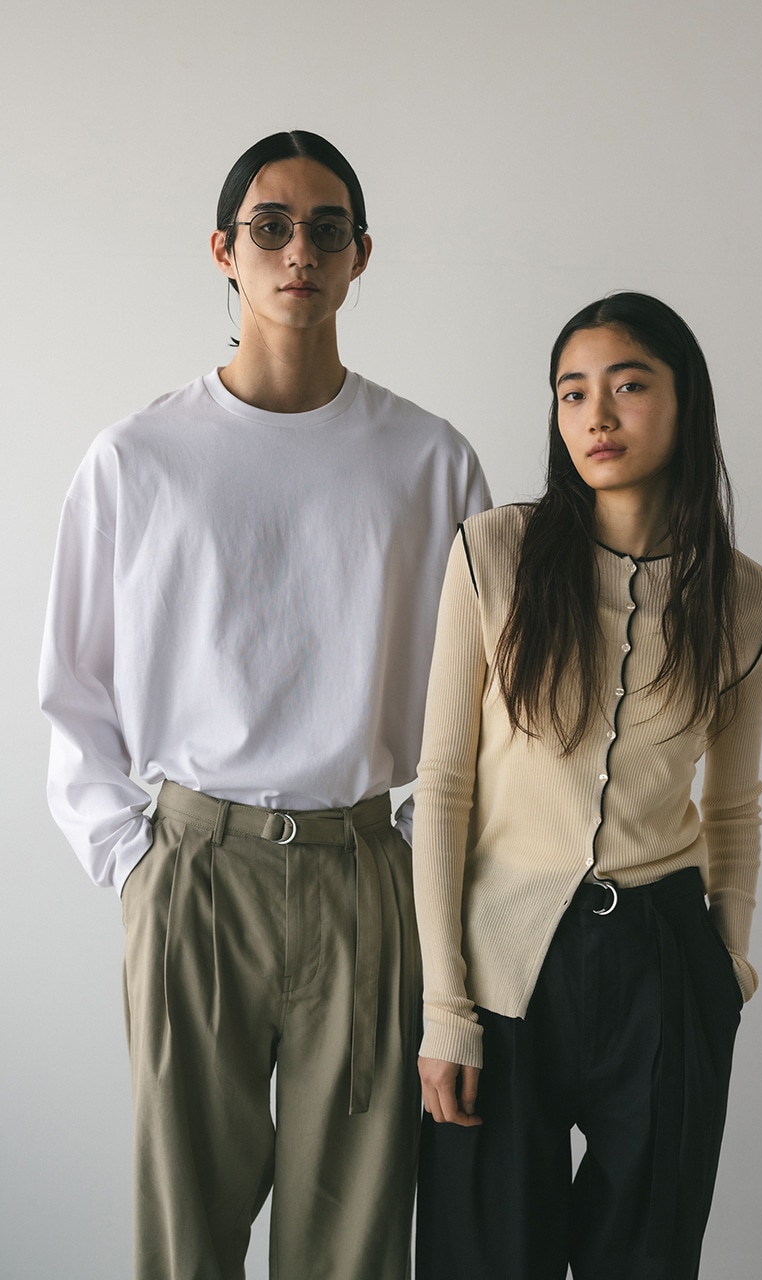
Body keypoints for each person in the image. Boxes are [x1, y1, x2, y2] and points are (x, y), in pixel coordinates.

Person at [38, 130, 490, 1280]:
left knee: (352, 1241)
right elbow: (73, 686)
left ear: (361, 255)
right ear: (223, 250)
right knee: (186, 1232)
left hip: (364, 870)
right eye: (271, 227)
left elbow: (485, 701)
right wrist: (132, 858)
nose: (300, 252)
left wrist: (424, 867)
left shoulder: (429, 461)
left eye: (327, 229)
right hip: (194, 868)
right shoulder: (140, 458)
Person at [412, 292, 762, 1280]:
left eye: (627, 385)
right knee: (483, 1257)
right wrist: (445, 1007)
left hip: (664, 966)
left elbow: (733, 805)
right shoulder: (492, 554)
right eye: (572, 392)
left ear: (684, 400)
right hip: (502, 967)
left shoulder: (745, 599)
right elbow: (441, 785)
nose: (596, 415)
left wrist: (727, 967)